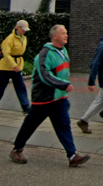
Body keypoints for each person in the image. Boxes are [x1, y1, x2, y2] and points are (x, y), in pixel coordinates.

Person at [9, 24, 90, 167]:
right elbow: (45, 75)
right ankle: (17, 149)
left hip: (59, 97)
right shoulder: (44, 54)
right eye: (63, 33)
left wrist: (63, 87)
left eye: (66, 33)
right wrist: (63, 84)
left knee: (63, 125)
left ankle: (72, 156)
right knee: (30, 124)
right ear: (54, 36)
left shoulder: (63, 50)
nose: (67, 35)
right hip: (44, 98)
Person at [0, 19, 31, 115]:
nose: (25, 31)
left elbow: (20, 53)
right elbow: (6, 54)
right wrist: (13, 65)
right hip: (6, 67)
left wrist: (18, 65)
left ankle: (26, 106)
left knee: (20, 86)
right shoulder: (9, 39)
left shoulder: (23, 38)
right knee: (1, 87)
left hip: (17, 66)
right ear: (18, 28)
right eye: (23, 29)